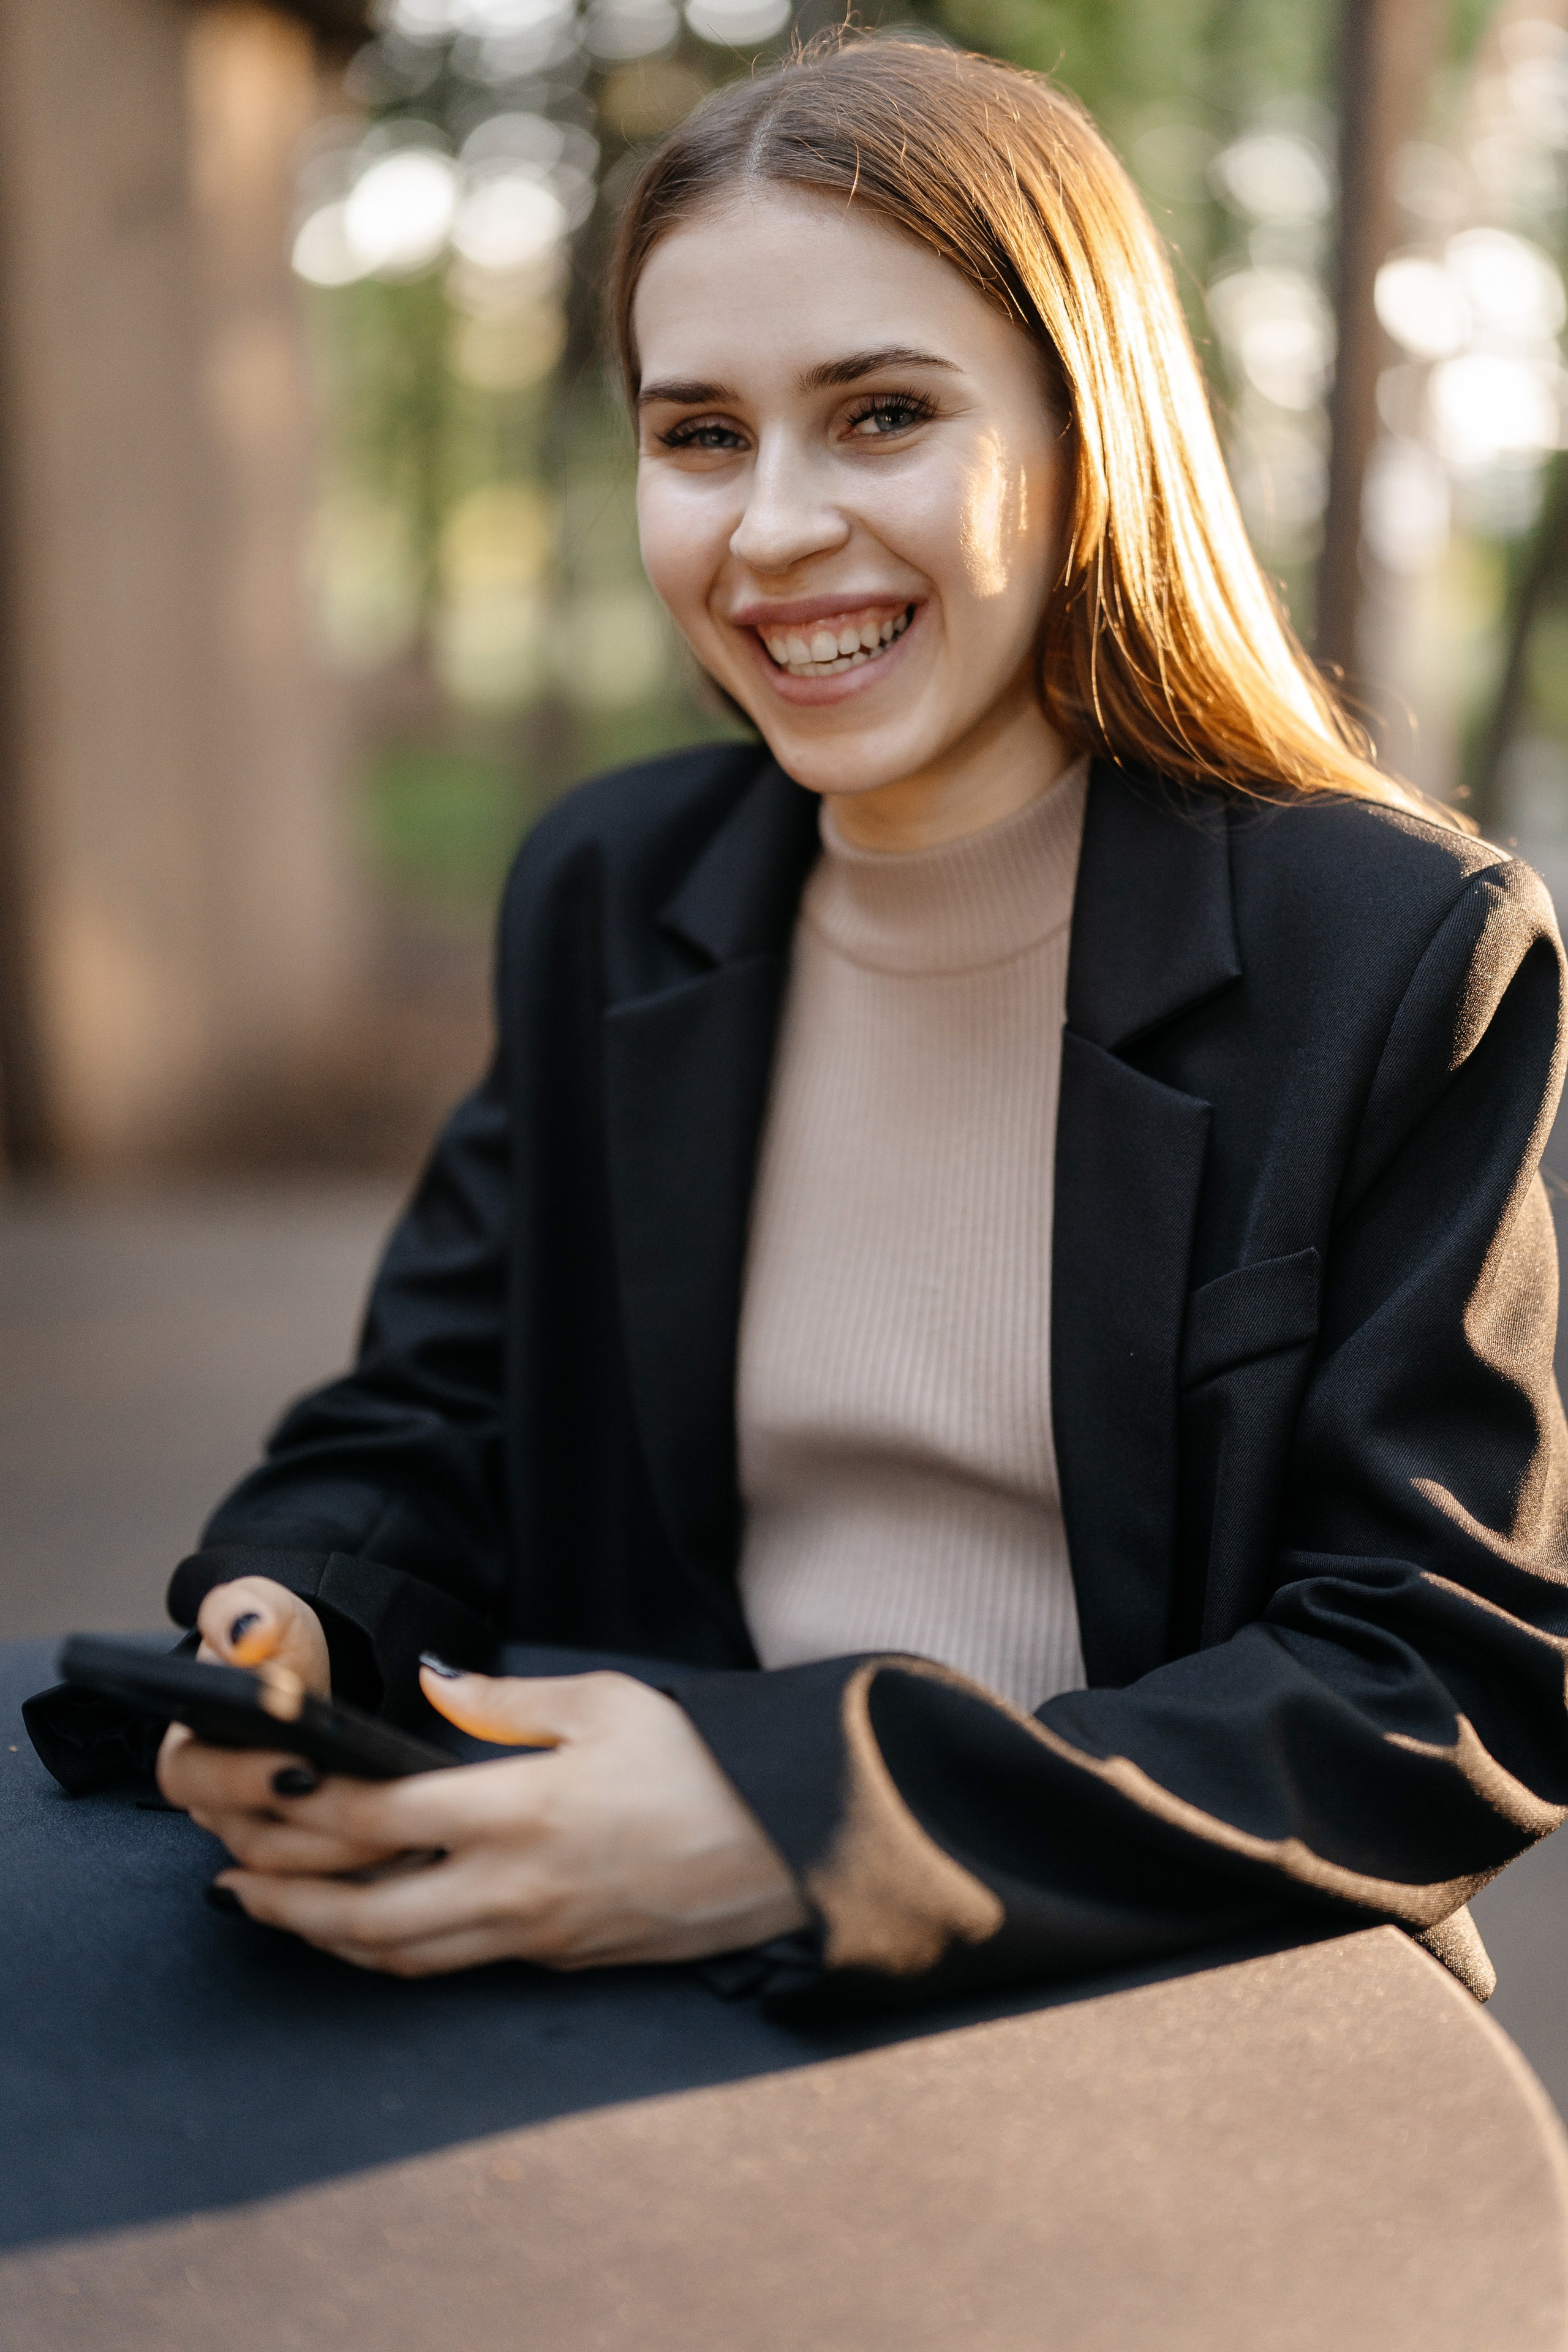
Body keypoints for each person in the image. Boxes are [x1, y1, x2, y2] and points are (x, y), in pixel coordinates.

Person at [152, 34, 1568, 2006]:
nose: (774, 530)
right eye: (700, 435)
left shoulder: (1393, 949)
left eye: (881, 415)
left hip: (1164, 1973)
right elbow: (438, 1416)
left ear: (1087, 438)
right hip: (622, 1949)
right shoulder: (607, 888)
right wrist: (291, 1608)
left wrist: (788, 1819)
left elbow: (1442, 1687)